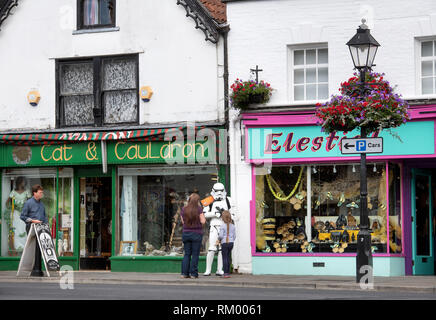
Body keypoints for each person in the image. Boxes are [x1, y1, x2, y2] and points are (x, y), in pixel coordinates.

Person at [203, 183, 237, 276]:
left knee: (222, 249)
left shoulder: (229, 200)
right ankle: (208, 270)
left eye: (221, 191)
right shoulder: (209, 200)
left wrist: (226, 215)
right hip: (214, 226)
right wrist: (214, 213)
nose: (219, 193)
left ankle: (219, 269)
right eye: (217, 191)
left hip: (225, 226)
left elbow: (233, 214)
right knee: (211, 249)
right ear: (213, 191)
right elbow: (204, 214)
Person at [20, 184, 48, 277]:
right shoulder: (28, 203)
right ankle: (34, 269)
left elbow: (44, 216)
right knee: (33, 248)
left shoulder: (41, 204)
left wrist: (46, 225)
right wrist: (32, 221)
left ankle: (38, 269)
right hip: (32, 227)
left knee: (40, 248)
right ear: (34, 193)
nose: (41, 194)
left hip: (41, 228)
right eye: (40, 193)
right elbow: (22, 216)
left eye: (42, 192)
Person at [180, 193, 206, 279]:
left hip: (186, 233)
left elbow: (183, 222)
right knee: (195, 254)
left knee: (187, 254)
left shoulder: (184, 209)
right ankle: (193, 274)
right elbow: (203, 221)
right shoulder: (199, 209)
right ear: (197, 201)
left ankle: (184, 273)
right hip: (196, 234)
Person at [6, 176, 31, 252]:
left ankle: (24, 247)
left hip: (24, 213)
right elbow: (7, 202)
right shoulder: (13, 192)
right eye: (22, 181)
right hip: (16, 213)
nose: (23, 183)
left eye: (24, 181)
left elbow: (30, 202)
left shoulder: (27, 192)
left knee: (24, 228)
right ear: (19, 182)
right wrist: (11, 208)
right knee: (16, 229)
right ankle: (16, 247)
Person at [217, 210, 236, 278]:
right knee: (228, 257)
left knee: (224, 258)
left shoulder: (222, 226)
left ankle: (225, 273)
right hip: (231, 243)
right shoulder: (233, 226)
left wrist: (219, 239)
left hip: (224, 243)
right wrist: (231, 240)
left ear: (222, 217)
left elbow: (221, 236)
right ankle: (228, 272)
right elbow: (234, 236)